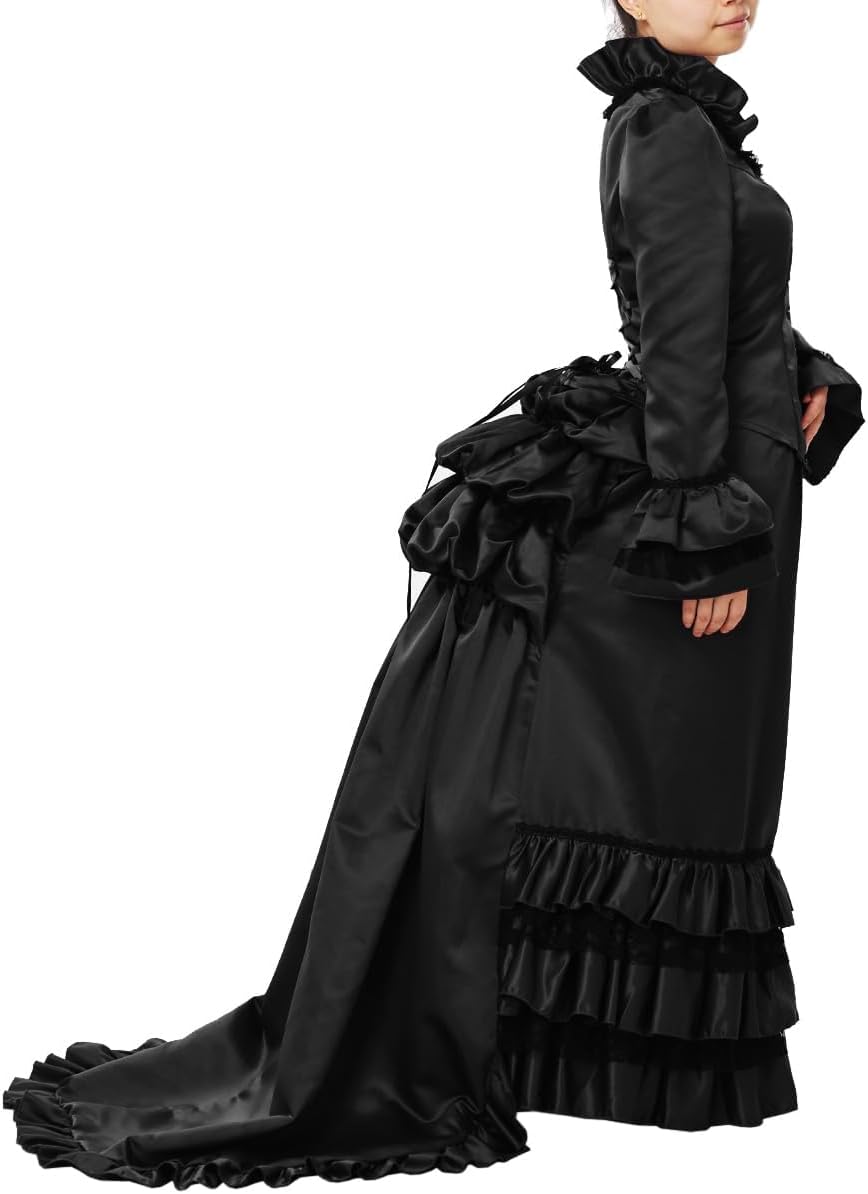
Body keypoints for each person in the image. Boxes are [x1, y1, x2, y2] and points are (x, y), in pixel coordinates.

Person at [4, 1, 864, 1185]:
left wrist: (800, 368)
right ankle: (525, 1044)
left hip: (733, 470)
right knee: (637, 768)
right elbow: (674, 344)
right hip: (709, 490)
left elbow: (717, 304)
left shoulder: (682, 122)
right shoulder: (665, 127)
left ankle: (570, 1053)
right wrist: (701, 538)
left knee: (677, 776)